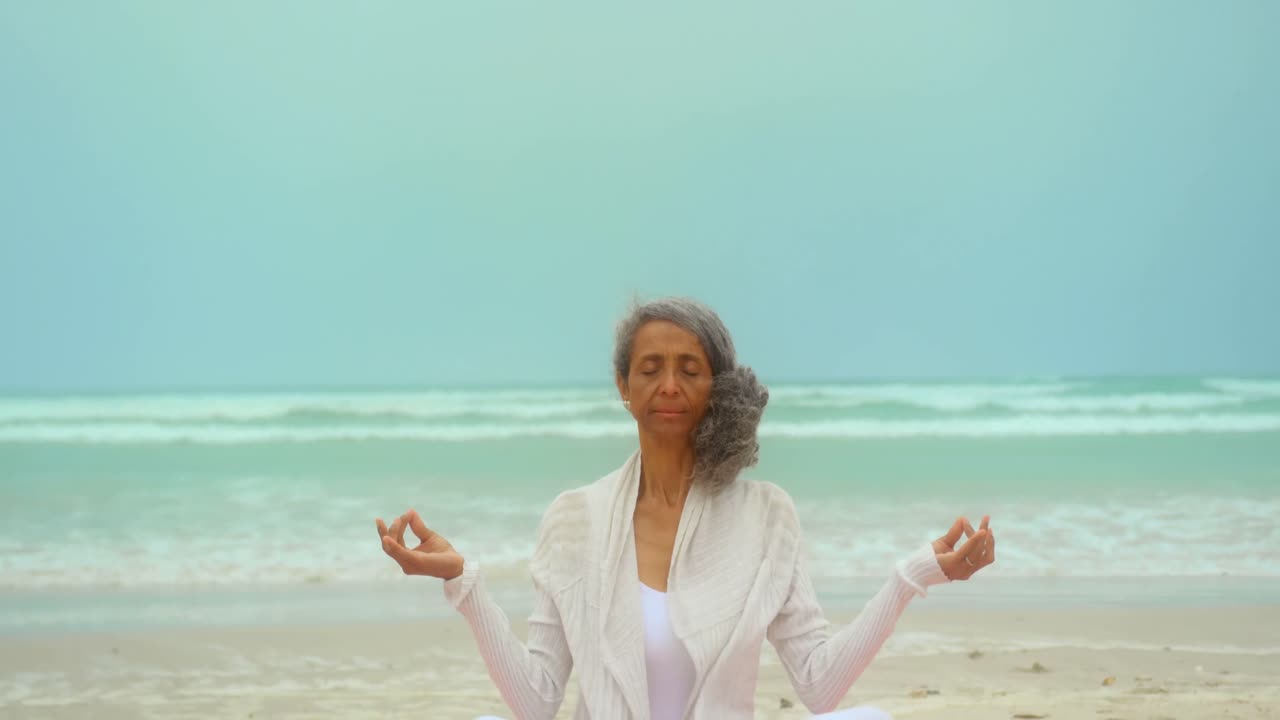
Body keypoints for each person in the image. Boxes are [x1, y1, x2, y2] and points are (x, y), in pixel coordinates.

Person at [376, 297, 995, 719]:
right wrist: (463, 582)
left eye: (689, 369)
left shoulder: (766, 516)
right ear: (623, 388)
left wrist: (914, 576)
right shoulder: (573, 518)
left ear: (716, 388)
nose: (669, 385)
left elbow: (819, 684)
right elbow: (538, 701)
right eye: (650, 368)